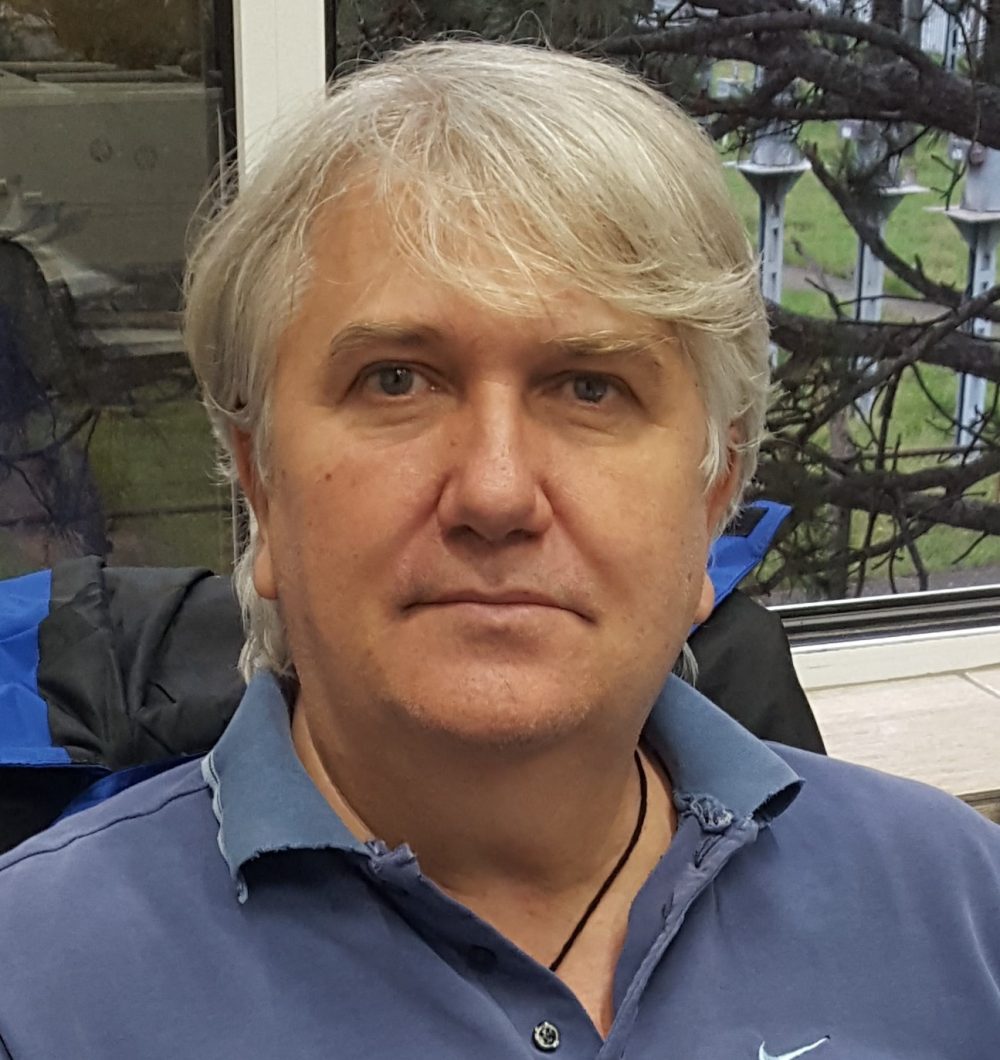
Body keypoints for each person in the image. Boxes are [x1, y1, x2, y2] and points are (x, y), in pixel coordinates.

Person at [0, 40, 997, 1059]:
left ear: (712, 496)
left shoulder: (957, 913)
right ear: (262, 483)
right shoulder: (33, 993)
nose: (494, 490)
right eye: (396, 380)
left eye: (590, 387)